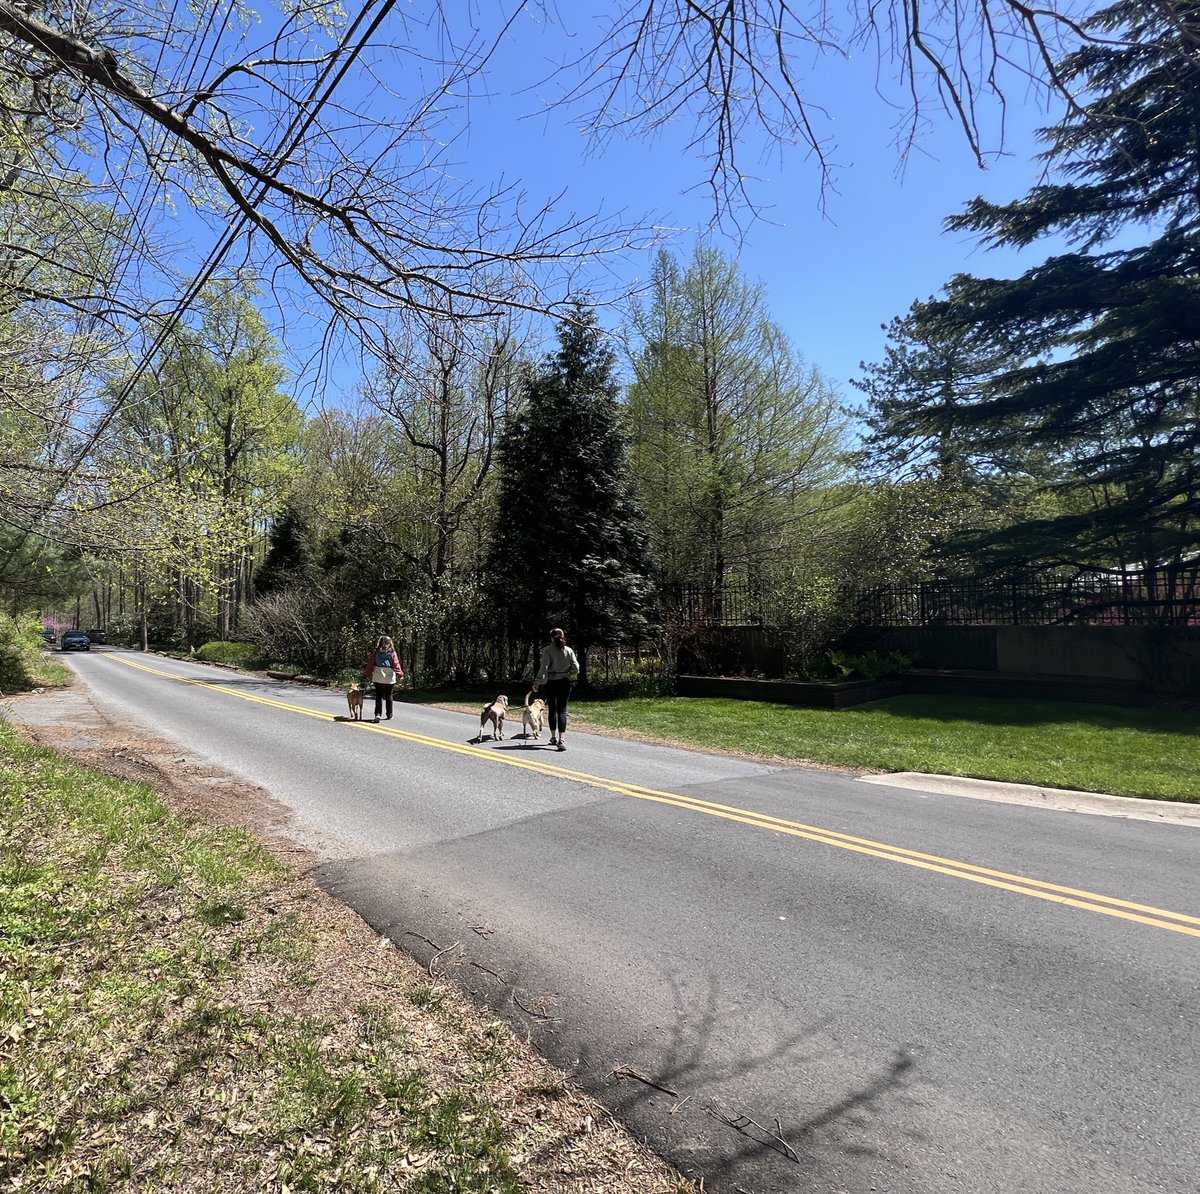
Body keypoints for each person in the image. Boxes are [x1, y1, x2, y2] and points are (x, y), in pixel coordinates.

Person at [532, 627, 579, 751]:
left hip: (551, 682)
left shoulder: (548, 650)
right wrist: (567, 672)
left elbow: (544, 667)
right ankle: (561, 739)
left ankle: (553, 737)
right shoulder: (568, 650)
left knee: (552, 709)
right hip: (565, 682)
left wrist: (537, 681)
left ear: (551, 637)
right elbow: (576, 668)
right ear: (563, 636)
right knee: (562, 710)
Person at [364, 634, 404, 722]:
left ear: (380, 643)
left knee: (379, 696)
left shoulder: (376, 653)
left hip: (378, 676)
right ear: (390, 643)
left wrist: (367, 674)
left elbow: (370, 664)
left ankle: (377, 714)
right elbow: (396, 664)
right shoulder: (392, 653)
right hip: (389, 677)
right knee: (389, 695)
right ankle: (389, 714)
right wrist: (400, 674)